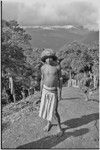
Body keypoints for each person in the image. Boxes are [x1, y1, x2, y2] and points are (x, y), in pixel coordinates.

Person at [39, 49, 63, 135]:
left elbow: (60, 79)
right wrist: (41, 91)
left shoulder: (57, 67)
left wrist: (60, 93)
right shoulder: (43, 68)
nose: (48, 59)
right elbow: (42, 79)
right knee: (47, 108)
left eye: (50, 57)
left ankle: (59, 126)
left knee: (55, 111)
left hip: (54, 91)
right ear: (44, 59)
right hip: (45, 90)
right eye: (46, 58)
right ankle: (49, 123)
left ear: (53, 58)